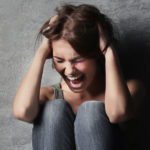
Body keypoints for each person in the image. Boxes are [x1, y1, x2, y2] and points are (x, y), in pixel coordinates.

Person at [13, 4, 146, 150]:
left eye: (78, 60)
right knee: (53, 109)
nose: (69, 71)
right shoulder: (49, 95)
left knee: (91, 111)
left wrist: (108, 50)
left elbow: (117, 114)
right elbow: (23, 111)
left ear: (97, 54)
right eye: (59, 60)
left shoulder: (131, 88)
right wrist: (42, 51)